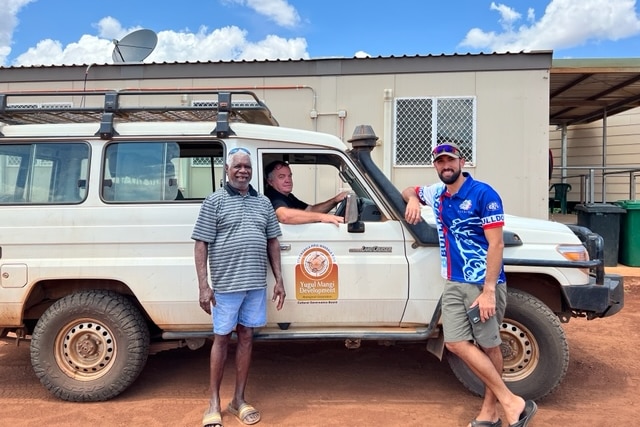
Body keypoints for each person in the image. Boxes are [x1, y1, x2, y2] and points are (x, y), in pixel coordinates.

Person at [402, 142, 537, 427]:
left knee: (489, 346)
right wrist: (413, 200)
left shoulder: (483, 194)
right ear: (435, 165)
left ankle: (491, 412)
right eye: (440, 162)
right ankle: (512, 401)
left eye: (450, 160)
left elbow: (497, 243)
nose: (445, 165)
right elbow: (408, 190)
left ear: (462, 162)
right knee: (455, 343)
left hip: (482, 284)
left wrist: (489, 291)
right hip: (453, 281)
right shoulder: (437, 193)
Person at [192, 147, 286, 427]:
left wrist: (279, 279)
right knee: (221, 339)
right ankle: (213, 403)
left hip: (255, 285)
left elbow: (273, 242)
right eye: (238, 166)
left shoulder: (263, 204)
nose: (243, 170)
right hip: (226, 286)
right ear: (227, 169)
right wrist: (203, 286)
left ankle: (238, 401)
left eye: (247, 166)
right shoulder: (214, 201)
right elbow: (201, 244)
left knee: (246, 337)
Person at [264, 160, 348, 226]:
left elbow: (310, 210)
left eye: (289, 176)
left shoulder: (288, 196)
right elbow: (285, 216)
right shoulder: (272, 197)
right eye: (281, 177)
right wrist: (322, 217)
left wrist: (335, 200)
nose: (288, 180)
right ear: (270, 181)